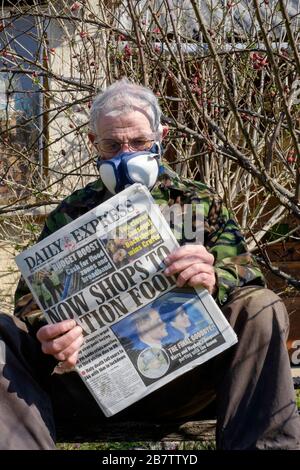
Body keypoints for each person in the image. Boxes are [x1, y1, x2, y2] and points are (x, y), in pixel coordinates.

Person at [10, 78, 300, 450]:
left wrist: (215, 276)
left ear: (161, 136)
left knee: (260, 304)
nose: (125, 154)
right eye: (111, 145)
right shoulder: (69, 214)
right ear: (92, 145)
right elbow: (28, 301)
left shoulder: (199, 201)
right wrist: (47, 329)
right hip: (93, 384)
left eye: (139, 143)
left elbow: (247, 272)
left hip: (188, 379)